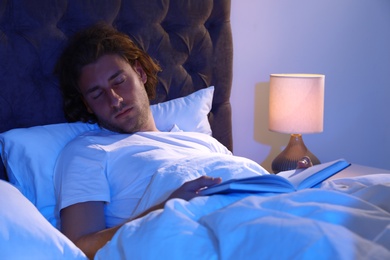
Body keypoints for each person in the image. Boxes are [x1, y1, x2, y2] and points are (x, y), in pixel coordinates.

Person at [54, 23, 312, 259]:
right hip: (193, 233)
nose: (114, 100)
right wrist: (164, 207)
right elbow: (79, 247)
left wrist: (291, 182)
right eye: (97, 94)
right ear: (87, 105)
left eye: (119, 82)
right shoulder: (88, 151)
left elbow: (244, 184)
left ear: (140, 73)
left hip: (265, 213)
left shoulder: (201, 142)